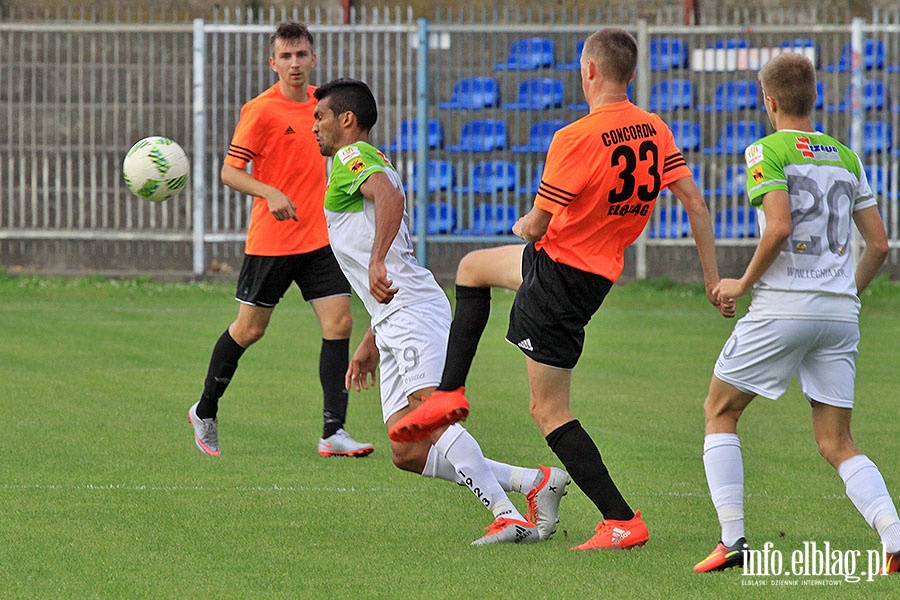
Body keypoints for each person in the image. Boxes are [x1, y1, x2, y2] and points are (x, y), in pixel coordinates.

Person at [390, 28, 731, 551]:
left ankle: (621, 520)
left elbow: (538, 224)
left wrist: (523, 223)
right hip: (586, 270)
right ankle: (448, 394)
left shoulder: (576, 137)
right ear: (631, 75)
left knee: (549, 411)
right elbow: (696, 203)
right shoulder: (654, 128)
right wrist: (710, 279)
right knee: (472, 268)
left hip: (559, 274)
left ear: (589, 70)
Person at [312, 76, 571, 545]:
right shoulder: (359, 163)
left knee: (429, 414)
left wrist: (374, 261)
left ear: (346, 120)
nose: (314, 126)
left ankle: (507, 515)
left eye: (320, 117)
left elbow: (391, 200)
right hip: (394, 315)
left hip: (412, 309)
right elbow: (388, 240)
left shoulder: (352, 156)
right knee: (406, 448)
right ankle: (533, 482)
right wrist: (372, 335)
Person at [692, 53, 899, 573]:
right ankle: (894, 536)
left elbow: (779, 226)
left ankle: (733, 541)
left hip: (784, 306)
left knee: (721, 411)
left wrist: (741, 281)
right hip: (839, 313)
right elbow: (878, 245)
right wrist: (842, 295)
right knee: (836, 441)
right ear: (815, 99)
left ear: (771, 102)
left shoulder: (767, 149)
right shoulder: (847, 157)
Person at [188, 22, 373, 458]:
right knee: (250, 329)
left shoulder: (322, 107)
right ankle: (205, 410)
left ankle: (333, 431)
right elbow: (230, 171)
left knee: (340, 323)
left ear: (313, 59)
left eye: (301, 54)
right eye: (286, 56)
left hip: (318, 237)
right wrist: (268, 191)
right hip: (271, 241)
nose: (294, 63)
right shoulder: (260, 110)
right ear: (273, 62)